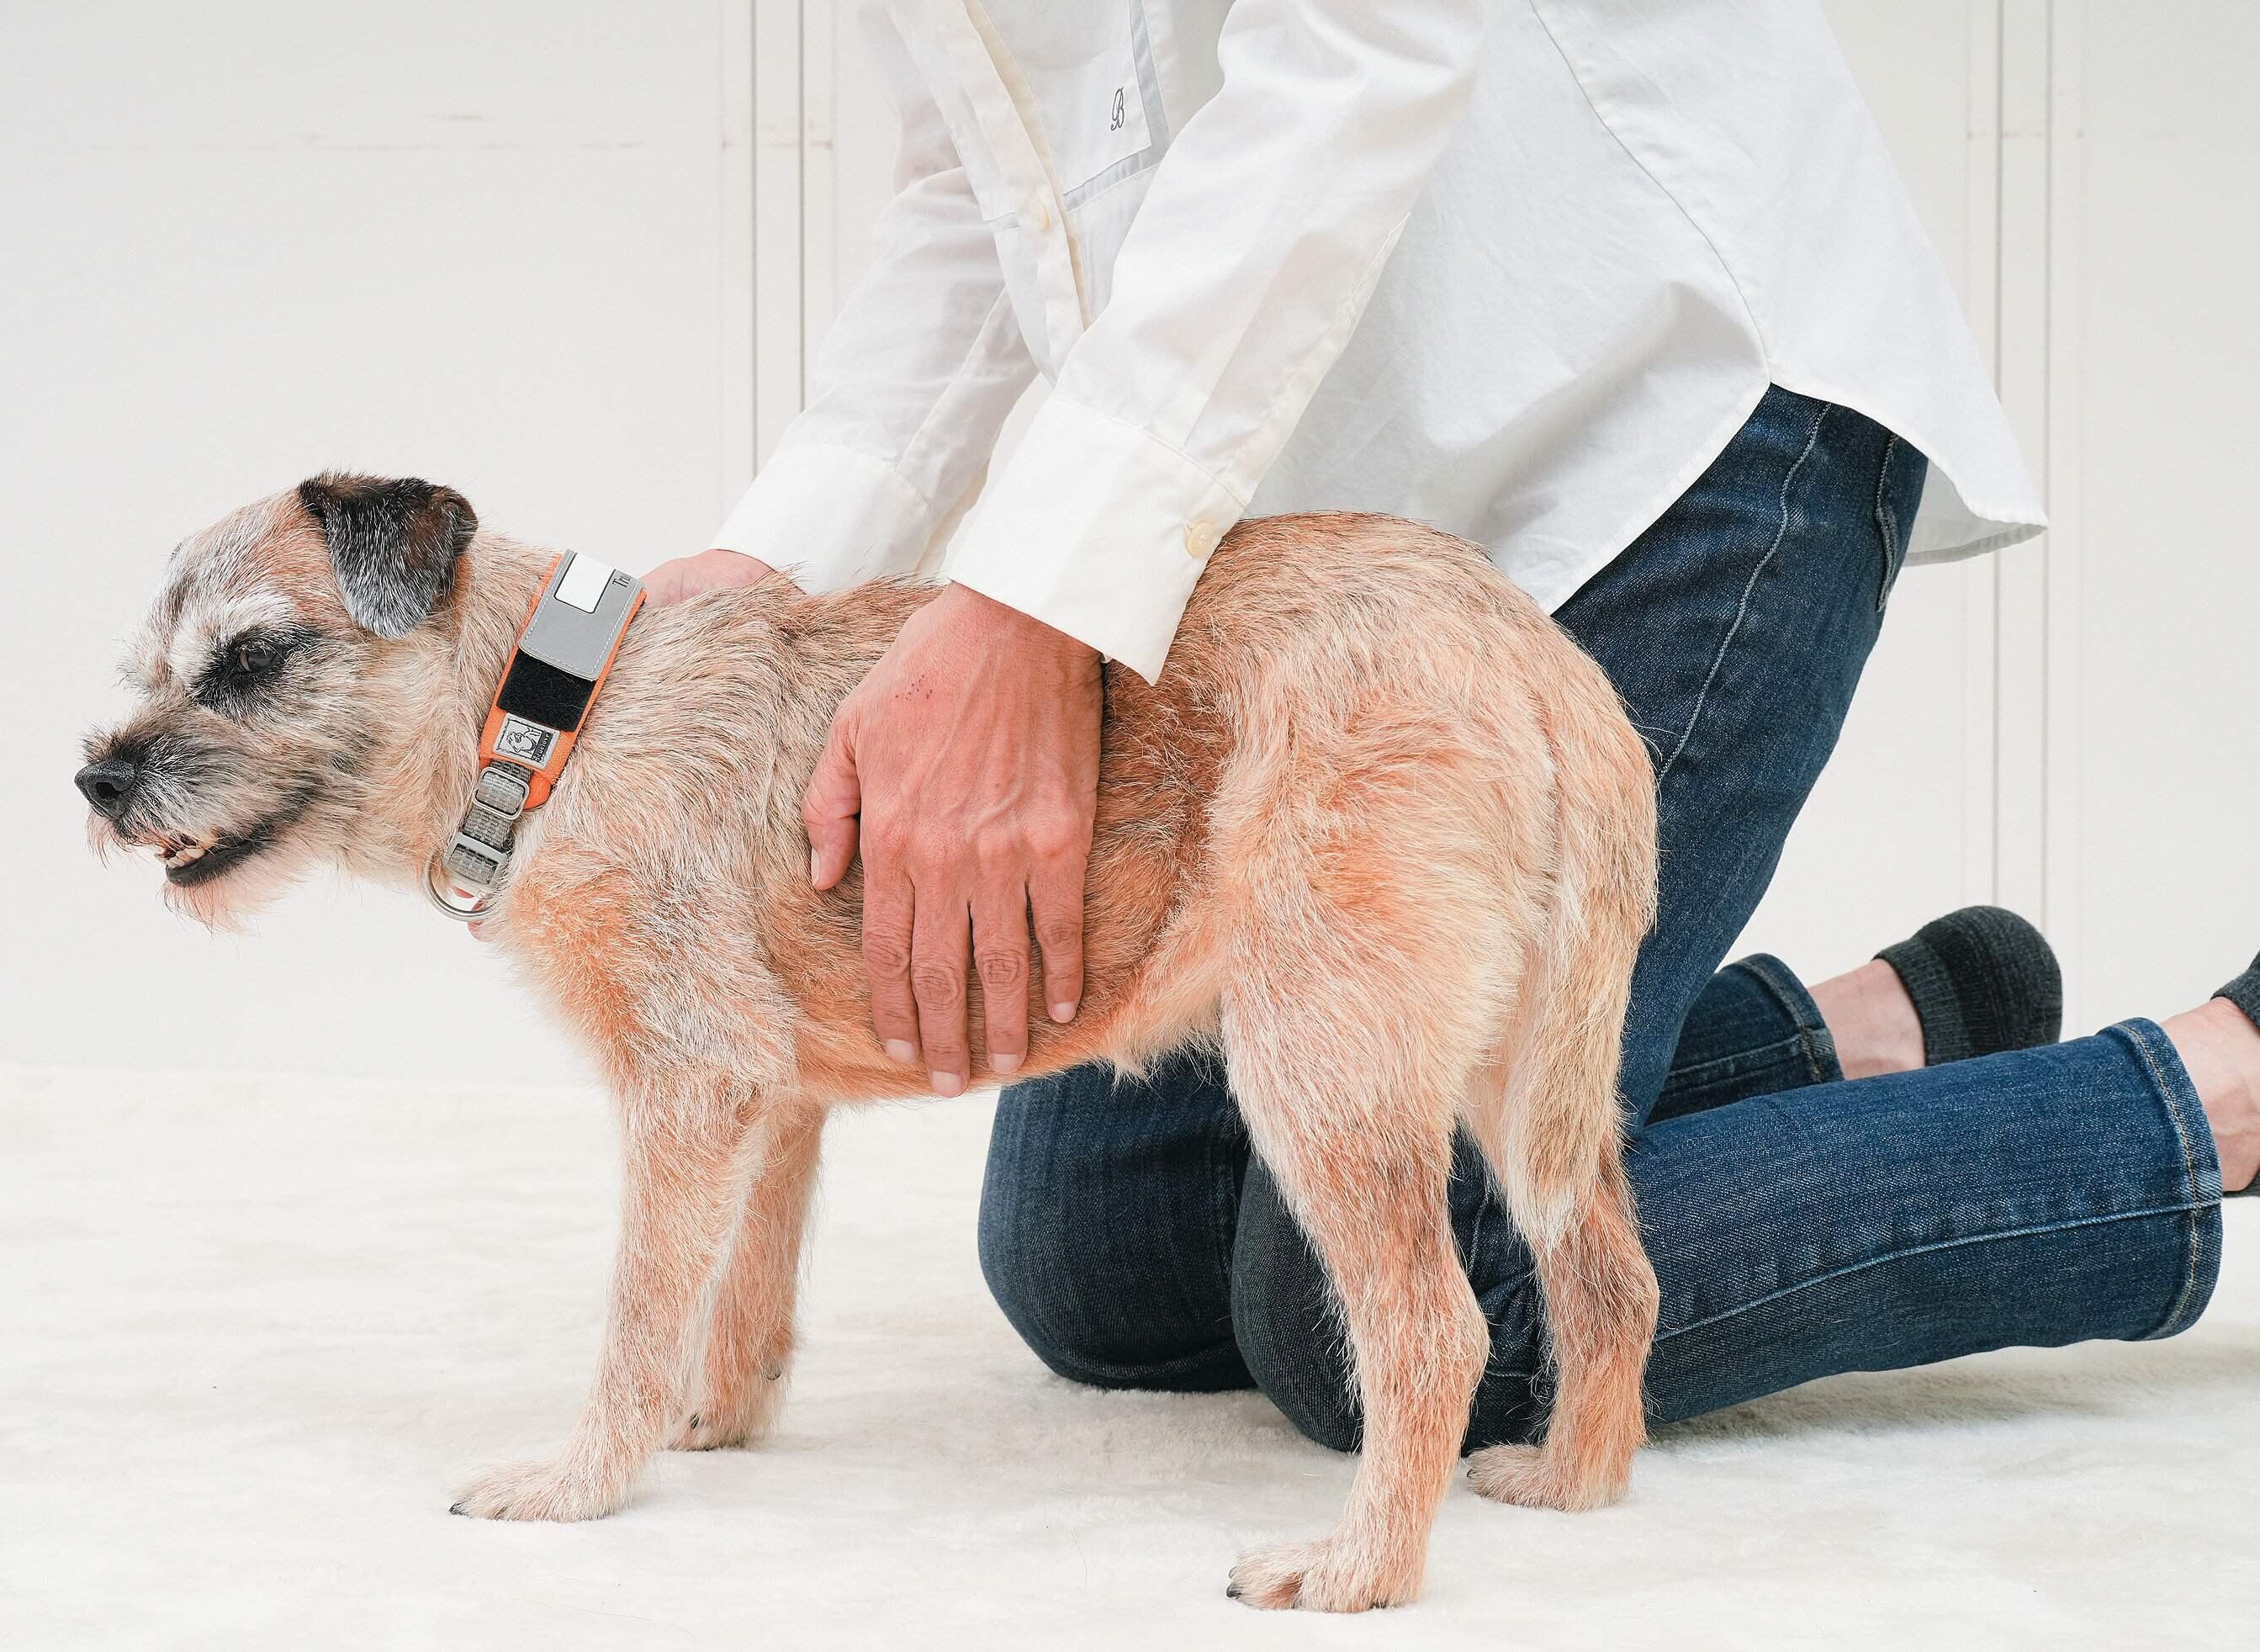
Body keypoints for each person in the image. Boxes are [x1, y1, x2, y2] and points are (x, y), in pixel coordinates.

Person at [642, 0, 2260, 1450]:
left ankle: (2219, 1081)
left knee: (1391, 1328)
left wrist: (1027, 608)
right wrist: (778, 565)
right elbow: (984, 191)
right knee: (1106, 1263)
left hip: (1655, 416)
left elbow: (1361, 48)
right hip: (1321, 585)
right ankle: (1876, 1035)